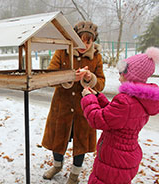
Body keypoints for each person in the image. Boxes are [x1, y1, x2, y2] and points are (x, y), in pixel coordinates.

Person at [81, 47, 159, 183]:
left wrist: (88, 98)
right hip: (126, 157)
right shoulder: (140, 100)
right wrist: (98, 97)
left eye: (122, 73)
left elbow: (97, 119)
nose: (119, 77)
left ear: (131, 76)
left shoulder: (125, 101)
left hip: (114, 159)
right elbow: (114, 118)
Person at [41, 21, 105, 184]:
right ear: (74, 38)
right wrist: (69, 77)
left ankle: (74, 175)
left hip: (84, 109)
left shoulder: (96, 56)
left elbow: (101, 83)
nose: (84, 44)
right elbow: (50, 76)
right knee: (58, 138)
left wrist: (91, 79)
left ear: (93, 41)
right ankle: (57, 166)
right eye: (80, 39)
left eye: (88, 41)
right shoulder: (62, 51)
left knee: (81, 141)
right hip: (61, 105)